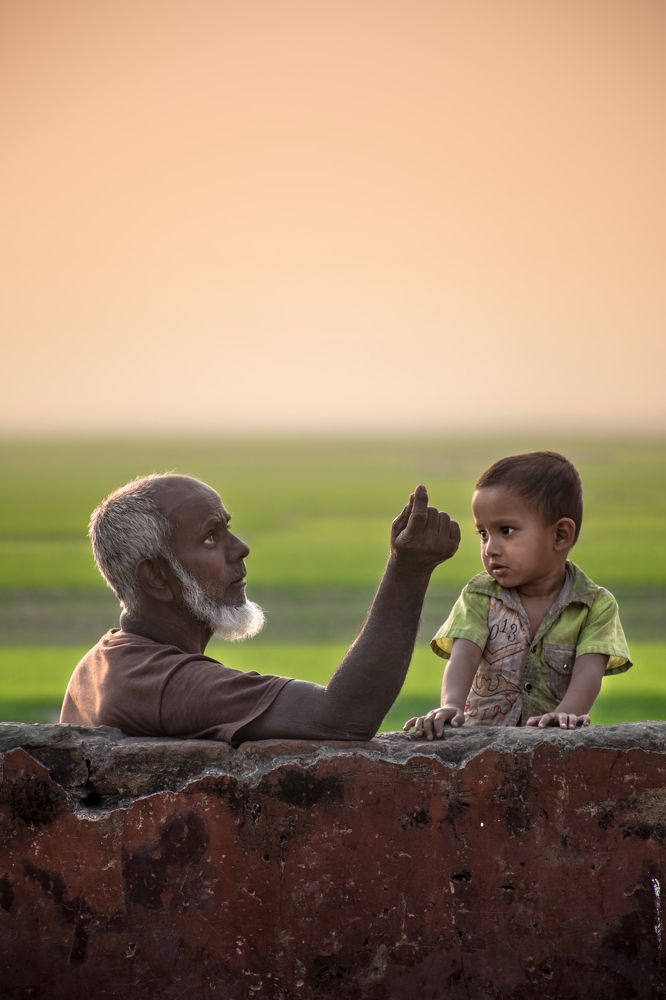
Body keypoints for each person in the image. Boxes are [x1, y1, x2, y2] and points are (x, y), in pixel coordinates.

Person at [60, 473, 460, 743]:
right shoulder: (160, 682)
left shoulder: (102, 662)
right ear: (157, 578)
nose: (240, 548)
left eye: (227, 529)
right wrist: (408, 570)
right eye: (211, 538)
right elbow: (344, 717)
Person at [403, 451, 631, 738]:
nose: (490, 549)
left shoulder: (594, 605)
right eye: (483, 534)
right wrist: (451, 704)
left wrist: (567, 711)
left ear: (560, 535)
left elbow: (589, 671)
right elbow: (464, 654)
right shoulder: (480, 596)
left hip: (554, 745)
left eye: (506, 531)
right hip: (480, 746)